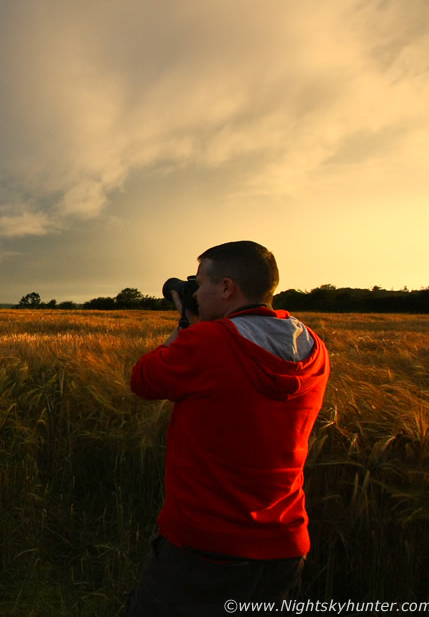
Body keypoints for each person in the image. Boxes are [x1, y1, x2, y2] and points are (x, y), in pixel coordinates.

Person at [126, 241, 330, 616]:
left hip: (204, 546)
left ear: (226, 288)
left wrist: (185, 324)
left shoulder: (206, 342)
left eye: (201, 284)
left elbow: (143, 380)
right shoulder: (314, 347)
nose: (197, 294)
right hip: (285, 545)